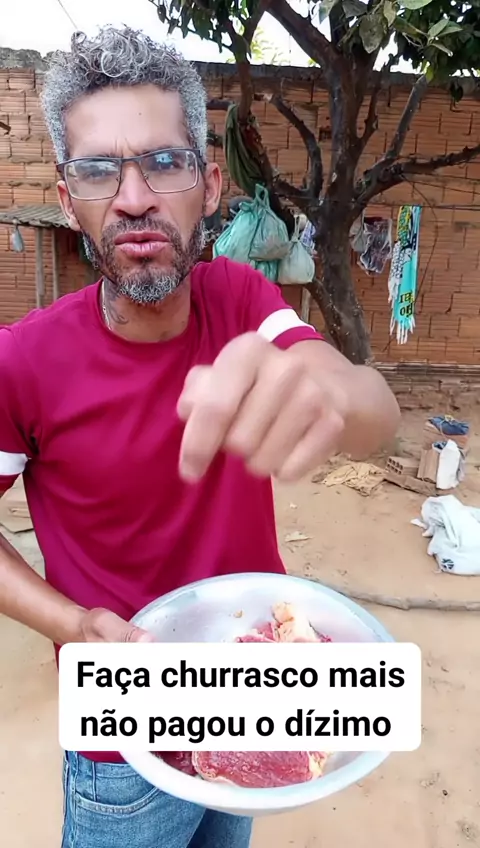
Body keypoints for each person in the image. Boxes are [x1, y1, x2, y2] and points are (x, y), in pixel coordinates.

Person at [0, 25, 400, 848]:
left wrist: (336, 386)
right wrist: (74, 626)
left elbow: (373, 415)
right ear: (68, 199)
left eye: (164, 162)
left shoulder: (243, 300)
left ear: (211, 185)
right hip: (120, 733)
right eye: (99, 170)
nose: (134, 198)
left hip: (250, 689)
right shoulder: (22, 363)